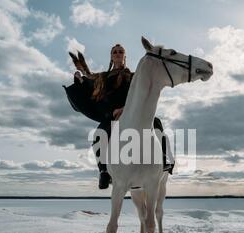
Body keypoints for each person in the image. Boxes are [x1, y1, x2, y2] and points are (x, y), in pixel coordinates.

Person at [64, 44, 174, 189]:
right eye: (114, 52)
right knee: (99, 134)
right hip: (111, 114)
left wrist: (126, 108)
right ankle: (104, 171)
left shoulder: (135, 77)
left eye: (120, 51)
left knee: (156, 122)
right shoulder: (102, 78)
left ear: (124, 56)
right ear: (111, 56)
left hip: (132, 111)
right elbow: (90, 88)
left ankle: (164, 159)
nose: (117, 54)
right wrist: (79, 79)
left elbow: (142, 94)